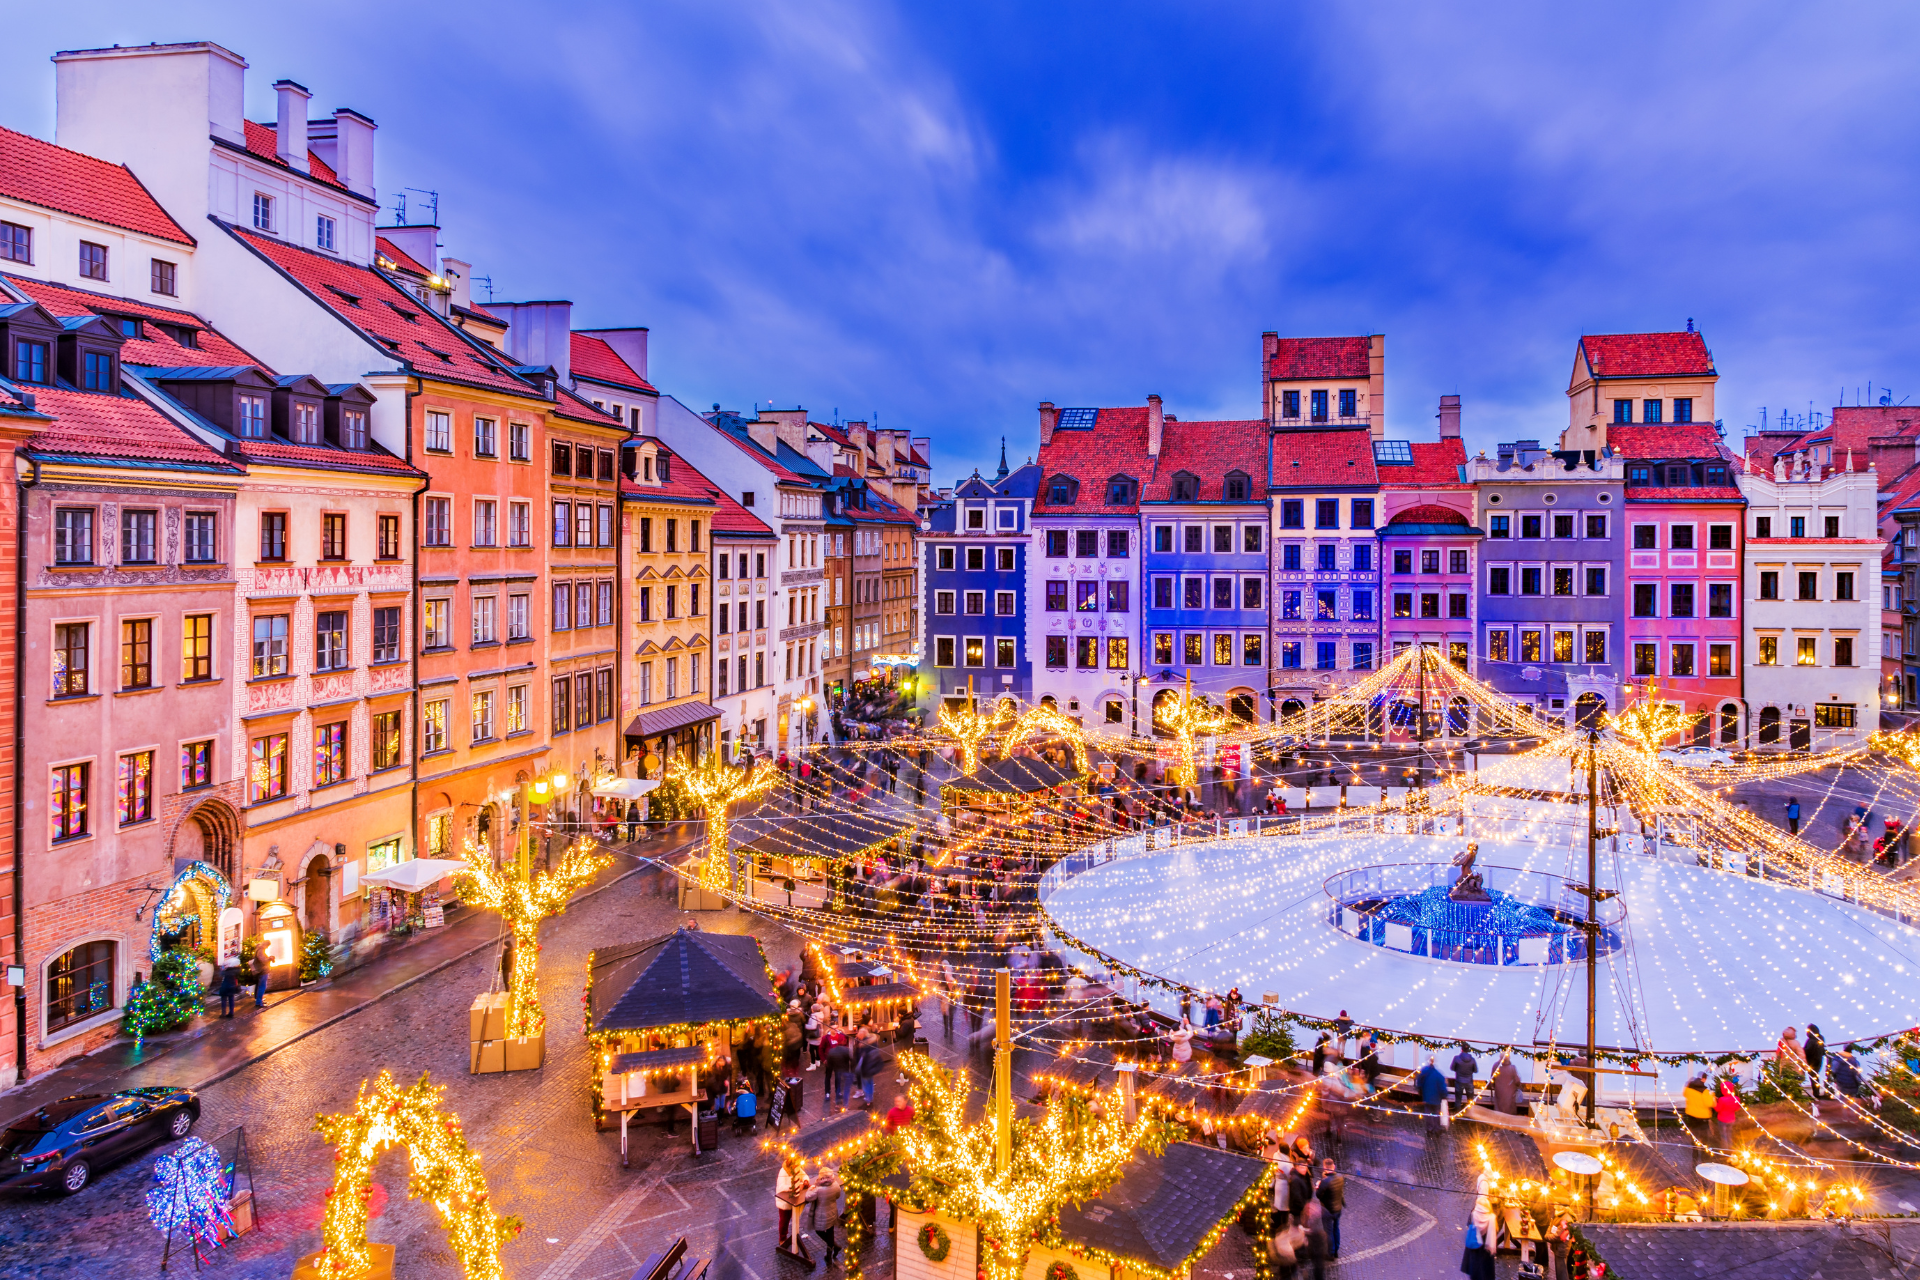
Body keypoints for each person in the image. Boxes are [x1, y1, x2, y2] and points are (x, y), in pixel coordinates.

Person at [808, 1165, 844, 1265]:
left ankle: (834, 1247)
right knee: (830, 1230)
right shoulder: (836, 1185)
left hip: (821, 1214)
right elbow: (837, 1196)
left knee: (818, 1231)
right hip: (832, 1212)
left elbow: (808, 1197)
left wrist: (811, 1188)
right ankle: (830, 1253)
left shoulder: (818, 1189)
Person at [1460, 1193, 1497, 1280]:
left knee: (1475, 1270)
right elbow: (1495, 1231)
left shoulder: (1473, 1214)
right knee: (1485, 1271)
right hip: (1486, 1250)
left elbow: (1468, 1225)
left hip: (1475, 1247)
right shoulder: (1491, 1218)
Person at [1316, 1157, 1345, 1260]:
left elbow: (1318, 1195)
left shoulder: (1325, 1181)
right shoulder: (1340, 1177)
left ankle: (1330, 1253)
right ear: (1334, 1166)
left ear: (1325, 1168)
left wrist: (1318, 1186)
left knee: (1328, 1232)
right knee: (1336, 1229)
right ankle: (1336, 1250)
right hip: (1338, 1209)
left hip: (1328, 1210)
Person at [1417, 1053, 1448, 1131]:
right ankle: (1436, 1128)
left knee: (1428, 1112)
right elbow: (1442, 1088)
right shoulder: (1439, 1075)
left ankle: (1429, 1128)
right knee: (1436, 1112)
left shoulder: (1424, 1071)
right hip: (1436, 1098)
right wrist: (1444, 1095)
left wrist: (1420, 1091)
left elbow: (1419, 1082)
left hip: (1427, 1096)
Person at [1713, 1079, 1739, 1150]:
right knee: (1729, 1135)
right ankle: (1730, 1149)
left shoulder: (1722, 1100)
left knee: (1723, 1136)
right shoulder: (1736, 1098)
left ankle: (1725, 1150)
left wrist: (1714, 1102)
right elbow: (1737, 1108)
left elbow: (1718, 1109)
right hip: (1731, 1119)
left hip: (1722, 1120)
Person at [1804, 1023, 1828, 1097]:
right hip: (1819, 1060)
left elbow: (1807, 1051)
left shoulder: (1810, 1040)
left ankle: (1816, 1094)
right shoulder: (1821, 1038)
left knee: (1813, 1077)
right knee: (1815, 1076)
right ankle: (1817, 1093)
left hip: (1811, 1061)